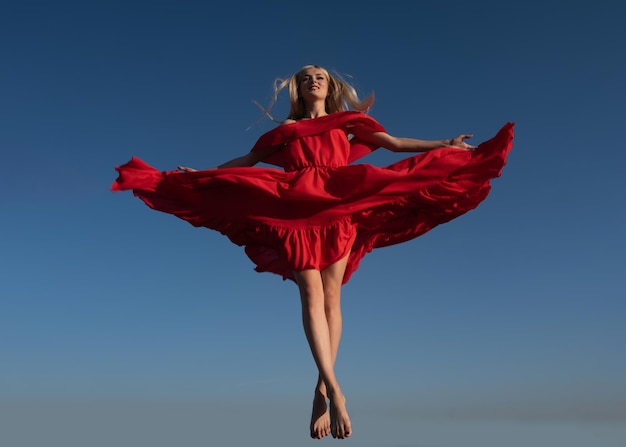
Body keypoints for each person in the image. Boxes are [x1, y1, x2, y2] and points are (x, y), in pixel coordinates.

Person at [112, 64, 514, 440]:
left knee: (332, 295)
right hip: (293, 207)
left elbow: (393, 144)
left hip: (337, 203)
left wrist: (443, 142)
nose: (314, 81)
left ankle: (320, 387)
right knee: (310, 291)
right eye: (306, 78)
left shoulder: (351, 123)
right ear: (298, 90)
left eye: (320, 76)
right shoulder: (284, 130)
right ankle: (336, 391)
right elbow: (247, 162)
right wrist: (203, 174)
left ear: (330, 86)